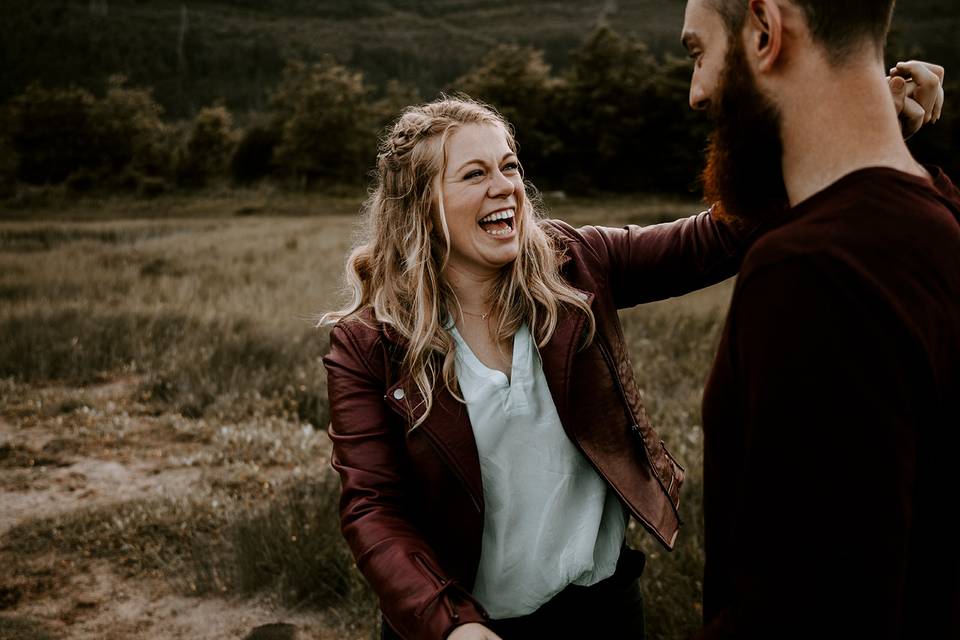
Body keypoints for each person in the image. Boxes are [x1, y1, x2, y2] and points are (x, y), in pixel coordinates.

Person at [320, 69, 942, 640]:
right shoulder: (369, 343)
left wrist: (858, 132)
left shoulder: (576, 266)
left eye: (508, 166)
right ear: (420, 207)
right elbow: (374, 507)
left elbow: (717, 237)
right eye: (474, 174)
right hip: (464, 627)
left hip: (601, 613)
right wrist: (450, 623)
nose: (505, 186)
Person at [678, 1, 959, 638]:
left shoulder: (812, 275)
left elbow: (804, 614)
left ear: (763, 29)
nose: (696, 93)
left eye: (698, 53)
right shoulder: (939, 214)